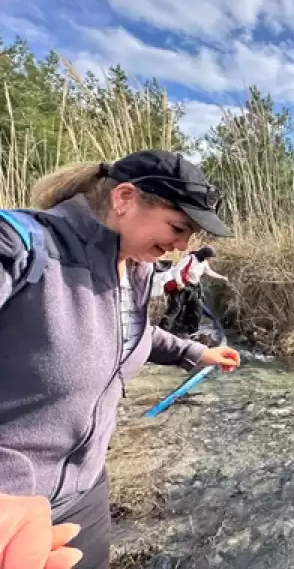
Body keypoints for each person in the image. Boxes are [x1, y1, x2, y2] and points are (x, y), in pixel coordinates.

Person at [0, 149, 241, 569]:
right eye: (178, 226)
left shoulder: (136, 268)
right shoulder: (19, 246)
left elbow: (128, 335)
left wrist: (198, 352)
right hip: (10, 512)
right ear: (125, 198)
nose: (181, 246)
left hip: (84, 497)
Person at [159, 245, 228, 336]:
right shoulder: (190, 259)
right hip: (182, 286)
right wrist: (179, 283)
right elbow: (176, 270)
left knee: (197, 308)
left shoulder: (204, 262)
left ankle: (191, 332)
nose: (210, 259)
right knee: (175, 309)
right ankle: (162, 331)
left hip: (193, 288)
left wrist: (221, 277)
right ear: (204, 254)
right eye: (209, 257)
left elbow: (209, 271)